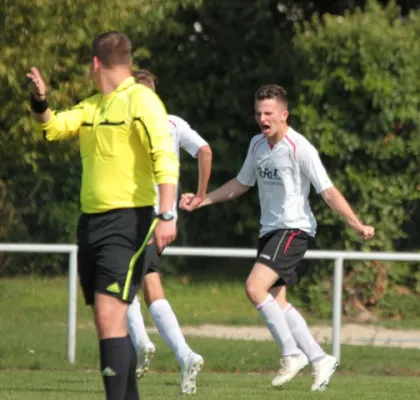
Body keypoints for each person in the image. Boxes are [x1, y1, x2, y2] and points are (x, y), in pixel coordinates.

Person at [180, 84, 375, 391]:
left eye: (268, 113)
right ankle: (319, 357)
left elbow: (327, 191)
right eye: (258, 112)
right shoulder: (257, 145)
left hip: (293, 230)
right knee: (277, 301)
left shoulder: (301, 149)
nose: (262, 118)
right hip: (270, 231)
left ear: (284, 115)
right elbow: (241, 184)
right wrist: (203, 199)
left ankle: (291, 353)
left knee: (254, 287)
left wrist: (356, 223)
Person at [27, 31, 179, 400]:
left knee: (109, 317)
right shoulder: (94, 105)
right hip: (91, 223)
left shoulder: (142, 101)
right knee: (108, 322)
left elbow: (164, 154)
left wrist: (167, 213)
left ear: (95, 63)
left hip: (129, 221)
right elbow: (51, 128)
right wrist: (40, 99)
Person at [126, 69, 211, 395]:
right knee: (145, 281)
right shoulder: (174, 123)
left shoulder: (133, 124)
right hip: (165, 216)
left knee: (119, 282)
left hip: (141, 214)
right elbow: (205, 150)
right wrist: (200, 194)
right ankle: (177, 354)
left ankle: (152, 345)